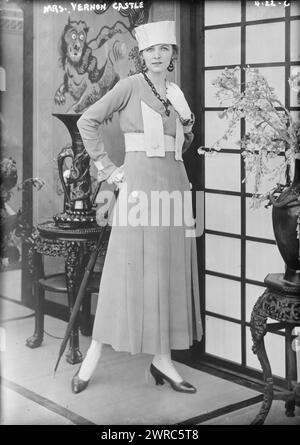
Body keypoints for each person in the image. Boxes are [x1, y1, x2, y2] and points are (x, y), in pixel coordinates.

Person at [72, 20, 203, 395]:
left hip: (174, 189)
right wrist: (109, 170)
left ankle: (163, 360)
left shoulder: (177, 94)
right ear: (141, 55)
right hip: (138, 189)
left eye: (164, 49)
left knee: (166, 272)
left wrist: (186, 128)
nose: (157, 56)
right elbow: (87, 121)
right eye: (150, 50)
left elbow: (180, 146)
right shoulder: (129, 86)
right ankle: (90, 361)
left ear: (172, 54)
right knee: (121, 276)